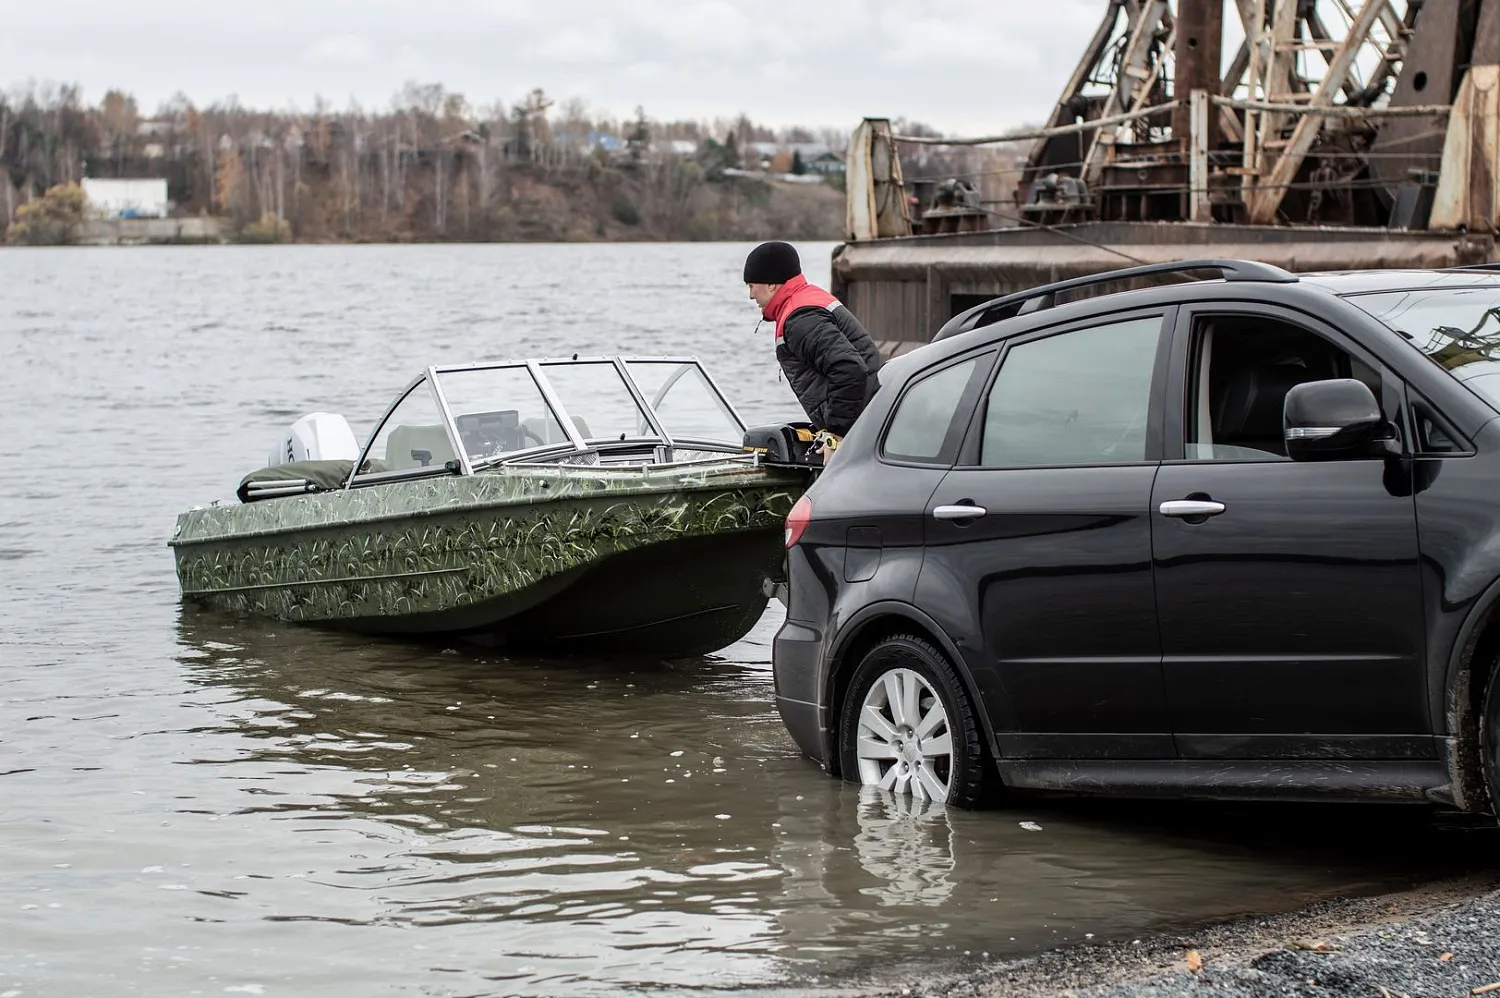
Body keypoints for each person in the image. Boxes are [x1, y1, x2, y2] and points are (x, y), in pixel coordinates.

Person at [743, 241, 882, 461]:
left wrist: (835, 436)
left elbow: (849, 368)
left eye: (751, 285)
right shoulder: (806, 299)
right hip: (871, 419)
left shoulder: (800, 319)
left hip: (865, 430)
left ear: (771, 284)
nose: (750, 295)